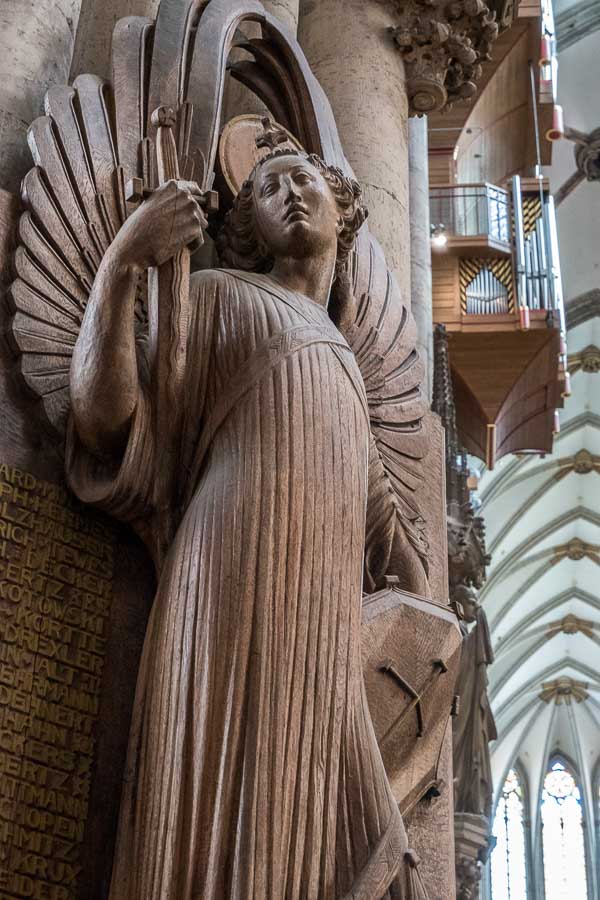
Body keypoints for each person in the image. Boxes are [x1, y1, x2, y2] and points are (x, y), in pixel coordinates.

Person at [68, 143, 426, 899]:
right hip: (226, 578)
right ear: (248, 223)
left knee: (332, 830)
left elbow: (393, 548)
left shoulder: (349, 368)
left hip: (321, 626)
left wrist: (421, 649)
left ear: (343, 208)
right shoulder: (220, 295)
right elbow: (108, 420)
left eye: (304, 179)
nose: (290, 193)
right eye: (268, 187)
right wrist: (127, 259)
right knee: (207, 792)